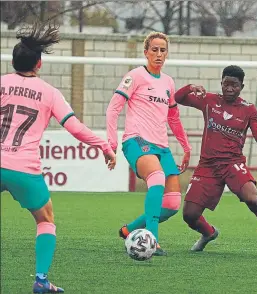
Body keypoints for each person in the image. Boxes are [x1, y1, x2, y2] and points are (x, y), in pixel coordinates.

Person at [0, 22, 116, 293]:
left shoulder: (1, 83)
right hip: (23, 169)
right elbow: (75, 127)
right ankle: (41, 280)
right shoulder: (50, 93)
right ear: (39, 64)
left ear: (13, 61)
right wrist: (104, 146)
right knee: (45, 219)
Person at [174, 65, 257, 258]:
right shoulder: (209, 101)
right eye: (226, 84)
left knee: (254, 200)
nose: (229, 88)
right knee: (189, 215)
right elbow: (178, 98)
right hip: (208, 166)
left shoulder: (248, 109)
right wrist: (190, 87)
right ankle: (209, 233)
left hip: (233, 163)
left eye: (234, 85)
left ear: (241, 87)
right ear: (221, 83)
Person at [106, 32, 191, 256]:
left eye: (163, 50)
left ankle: (130, 230)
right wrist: (111, 142)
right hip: (136, 140)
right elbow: (113, 108)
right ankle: (152, 240)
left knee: (172, 204)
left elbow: (173, 117)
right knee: (157, 178)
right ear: (146, 52)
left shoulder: (168, 82)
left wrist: (186, 146)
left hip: (161, 146)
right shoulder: (135, 76)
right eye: (154, 49)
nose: (159, 54)